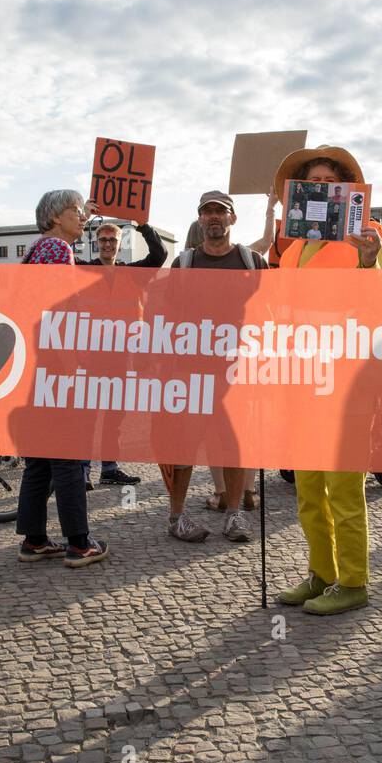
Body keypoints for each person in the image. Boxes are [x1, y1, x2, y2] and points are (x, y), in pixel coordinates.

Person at [271, 146, 382, 616]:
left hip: (346, 381)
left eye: (327, 182)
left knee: (343, 488)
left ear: (343, 192)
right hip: (301, 379)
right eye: (311, 183)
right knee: (308, 490)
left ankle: (354, 580)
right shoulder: (293, 248)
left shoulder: (369, 235)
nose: (320, 190)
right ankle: (321, 575)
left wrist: (367, 261)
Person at [14, 189, 110, 565]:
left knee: (39, 459)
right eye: (75, 210)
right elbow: (53, 311)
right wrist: (71, 365)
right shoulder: (57, 251)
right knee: (69, 456)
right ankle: (79, 543)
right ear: (56, 217)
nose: (82, 216)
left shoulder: (39, 249)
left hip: (36, 368)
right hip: (55, 366)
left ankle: (35, 540)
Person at [161, 191, 259, 544]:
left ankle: (234, 515)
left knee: (234, 443)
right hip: (191, 370)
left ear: (232, 218)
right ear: (199, 219)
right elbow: (168, 316)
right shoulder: (184, 263)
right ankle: (176, 517)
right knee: (185, 445)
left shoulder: (252, 262)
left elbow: (274, 307)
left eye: (221, 211)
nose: (214, 217)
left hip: (237, 369)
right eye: (208, 212)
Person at [74, 215, 167, 488]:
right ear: (95, 242)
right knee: (89, 414)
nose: (107, 245)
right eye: (102, 240)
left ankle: (109, 468)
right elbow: (60, 253)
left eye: (112, 240)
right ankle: (82, 470)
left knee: (115, 415)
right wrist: (81, 221)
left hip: (121, 355)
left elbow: (159, 254)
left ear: (119, 243)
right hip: (91, 355)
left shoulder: (132, 274)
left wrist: (143, 224)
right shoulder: (84, 271)